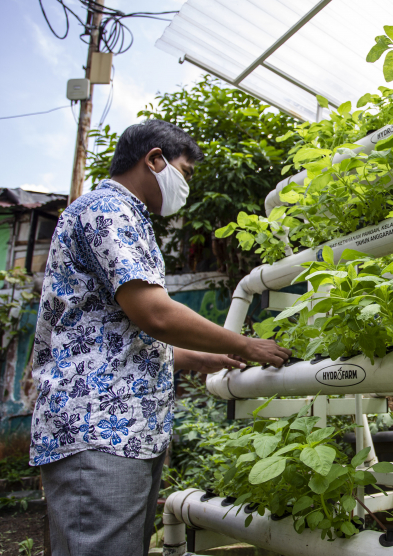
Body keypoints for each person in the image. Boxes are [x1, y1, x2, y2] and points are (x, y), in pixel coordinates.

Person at [29, 119, 291, 556]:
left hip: (123, 429)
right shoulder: (107, 210)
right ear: (154, 160)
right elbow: (154, 313)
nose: (185, 186)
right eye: (184, 171)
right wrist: (241, 343)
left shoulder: (123, 215)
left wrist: (197, 358)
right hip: (100, 430)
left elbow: (113, 335)